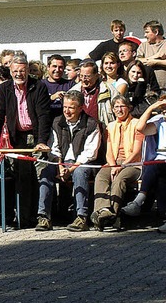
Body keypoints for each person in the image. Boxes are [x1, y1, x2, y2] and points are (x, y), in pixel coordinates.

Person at [0, 55, 52, 228]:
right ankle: (24, 219)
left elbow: (43, 116)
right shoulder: (4, 88)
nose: (19, 74)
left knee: (41, 175)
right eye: (16, 71)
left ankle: (42, 216)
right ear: (10, 72)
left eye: (22, 71)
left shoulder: (39, 86)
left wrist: (41, 140)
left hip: (35, 135)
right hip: (16, 137)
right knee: (22, 177)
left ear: (27, 71)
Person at [35, 90, 101, 232]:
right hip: (61, 161)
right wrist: (59, 166)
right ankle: (43, 216)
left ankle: (81, 217)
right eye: (65, 107)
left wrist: (70, 169)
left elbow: (90, 153)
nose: (67, 111)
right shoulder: (57, 122)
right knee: (46, 172)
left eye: (71, 107)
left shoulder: (91, 124)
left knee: (80, 173)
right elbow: (54, 147)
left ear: (80, 108)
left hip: (81, 162)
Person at [91, 95, 144, 230]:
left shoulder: (137, 124)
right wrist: (113, 165)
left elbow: (136, 152)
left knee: (119, 179)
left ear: (129, 108)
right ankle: (103, 210)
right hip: (113, 162)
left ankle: (113, 215)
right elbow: (109, 151)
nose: (119, 109)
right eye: (116, 107)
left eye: (122, 106)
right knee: (101, 176)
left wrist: (121, 166)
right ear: (112, 109)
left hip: (132, 164)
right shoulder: (110, 126)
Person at [121, 97, 166, 232]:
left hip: (161, 163)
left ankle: (139, 200)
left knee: (156, 168)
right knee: (160, 181)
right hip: (160, 160)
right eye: (163, 110)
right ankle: (164, 217)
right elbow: (140, 128)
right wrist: (152, 108)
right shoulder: (160, 122)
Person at [41, 54, 73, 120]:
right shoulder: (40, 85)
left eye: (60, 67)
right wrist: (52, 98)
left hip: (63, 124)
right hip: (45, 123)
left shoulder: (70, 85)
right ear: (48, 67)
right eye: (54, 66)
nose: (57, 70)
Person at [137, 20, 166, 92]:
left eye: (147, 32)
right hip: (148, 90)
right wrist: (156, 56)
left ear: (156, 32)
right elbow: (137, 61)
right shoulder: (143, 46)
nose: (145, 35)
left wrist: (156, 62)